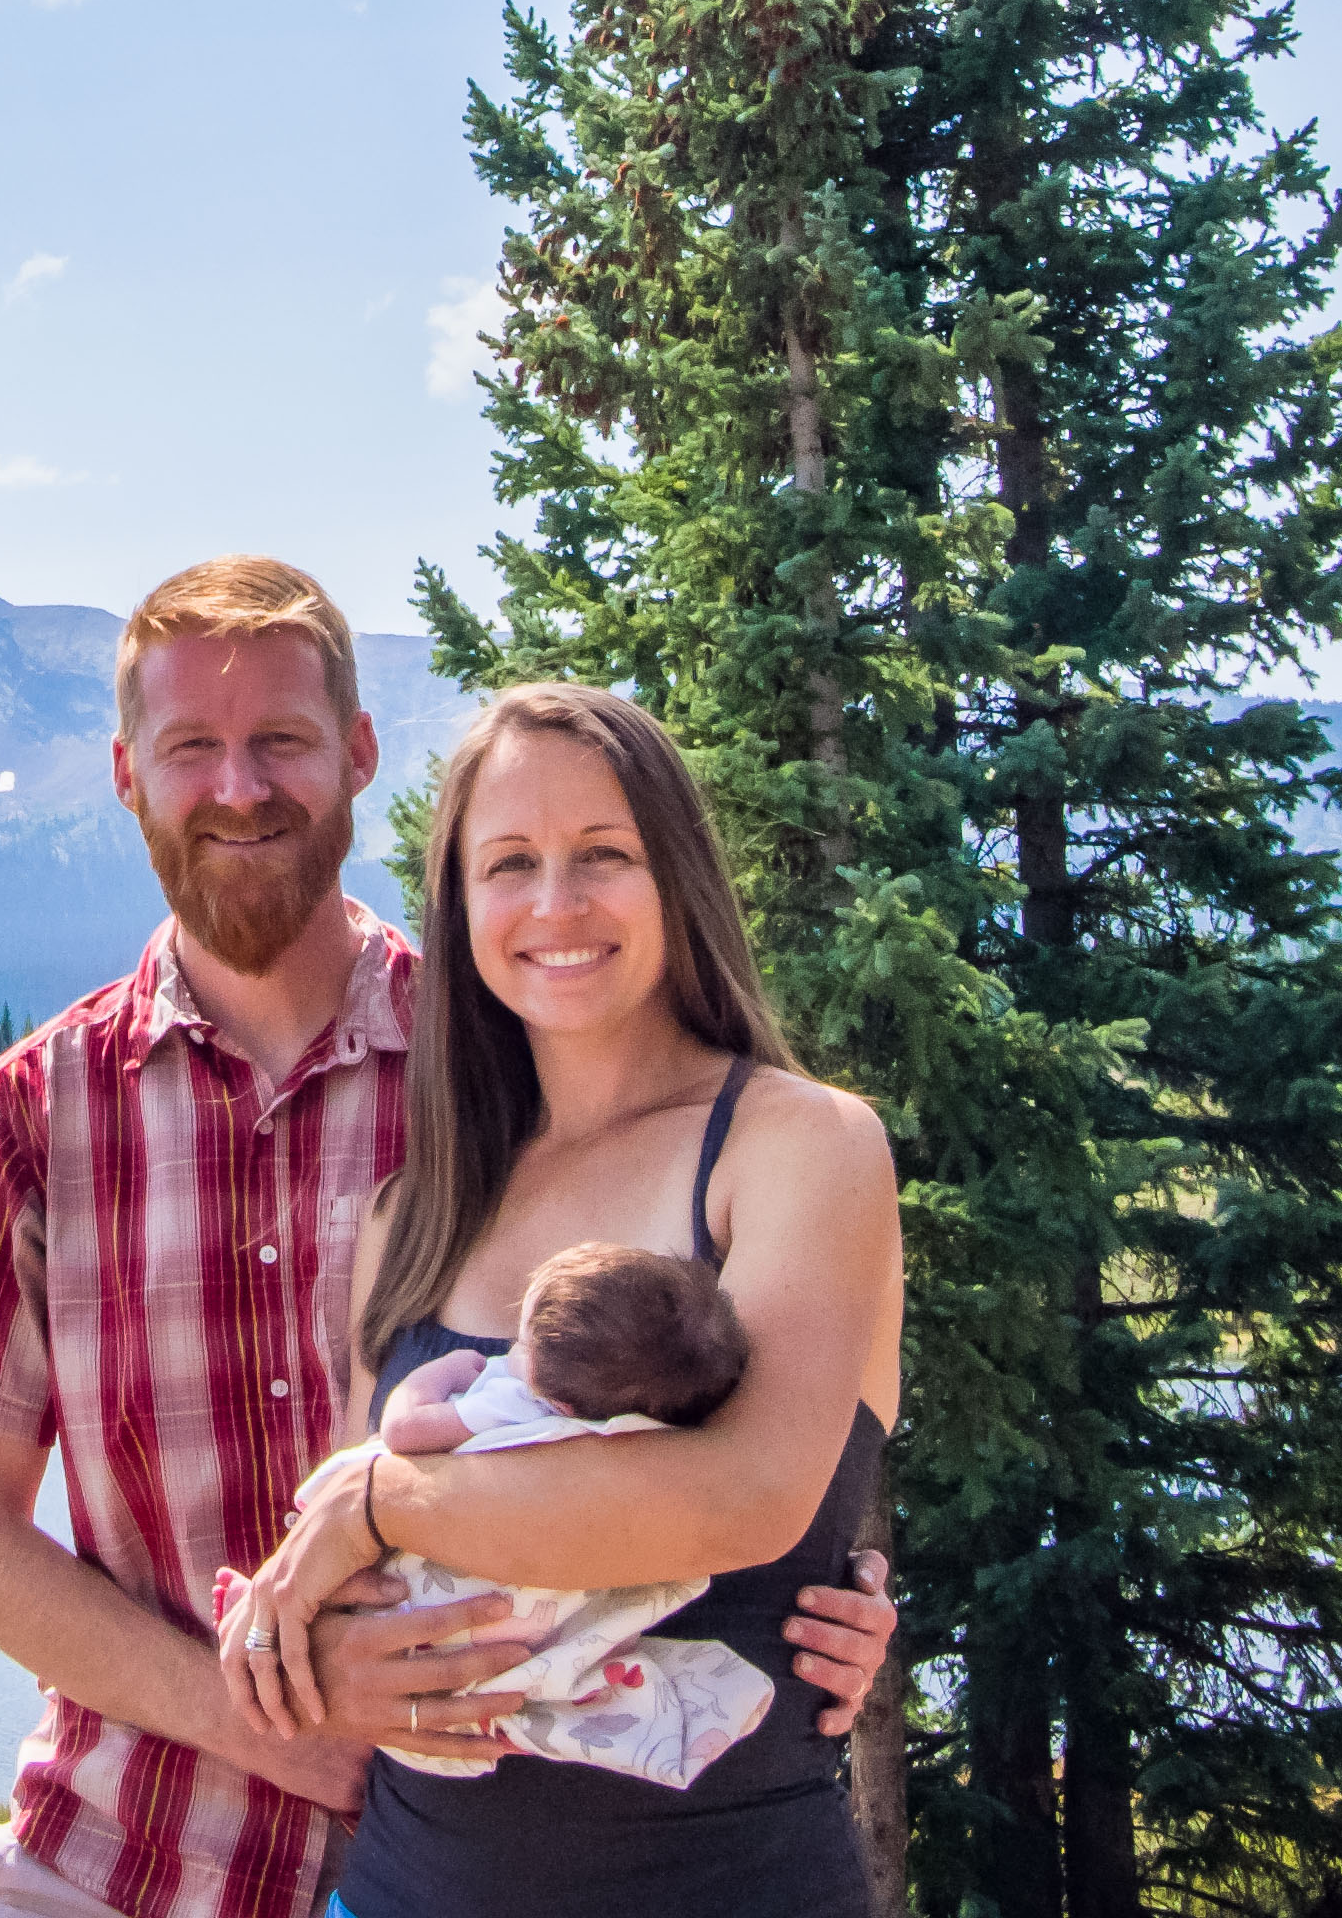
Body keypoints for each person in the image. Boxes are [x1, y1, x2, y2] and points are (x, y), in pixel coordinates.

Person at [0, 563, 896, 1918]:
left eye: (283, 742)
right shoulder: (31, 1117)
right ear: (129, 774)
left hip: (430, 1853)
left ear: (359, 756)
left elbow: (752, 1417)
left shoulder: (499, 1056)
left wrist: (814, 1582)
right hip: (121, 1851)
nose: (240, 788)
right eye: (194, 749)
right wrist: (268, 1712)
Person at [212, 679, 904, 1918]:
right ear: (462, 903)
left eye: (603, 855)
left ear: (677, 875)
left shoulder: (800, 1146)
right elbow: (345, 1594)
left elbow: (745, 1497)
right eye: (510, 864)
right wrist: (319, 1631)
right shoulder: (410, 1216)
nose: (555, 904)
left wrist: (382, 1499)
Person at [343, 1241, 776, 1790]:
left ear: (561, 1404)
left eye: (522, 1342)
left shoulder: (516, 1405)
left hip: (440, 1588)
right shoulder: (650, 1439)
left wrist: (441, 1373)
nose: (512, 1351)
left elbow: (403, 1434)